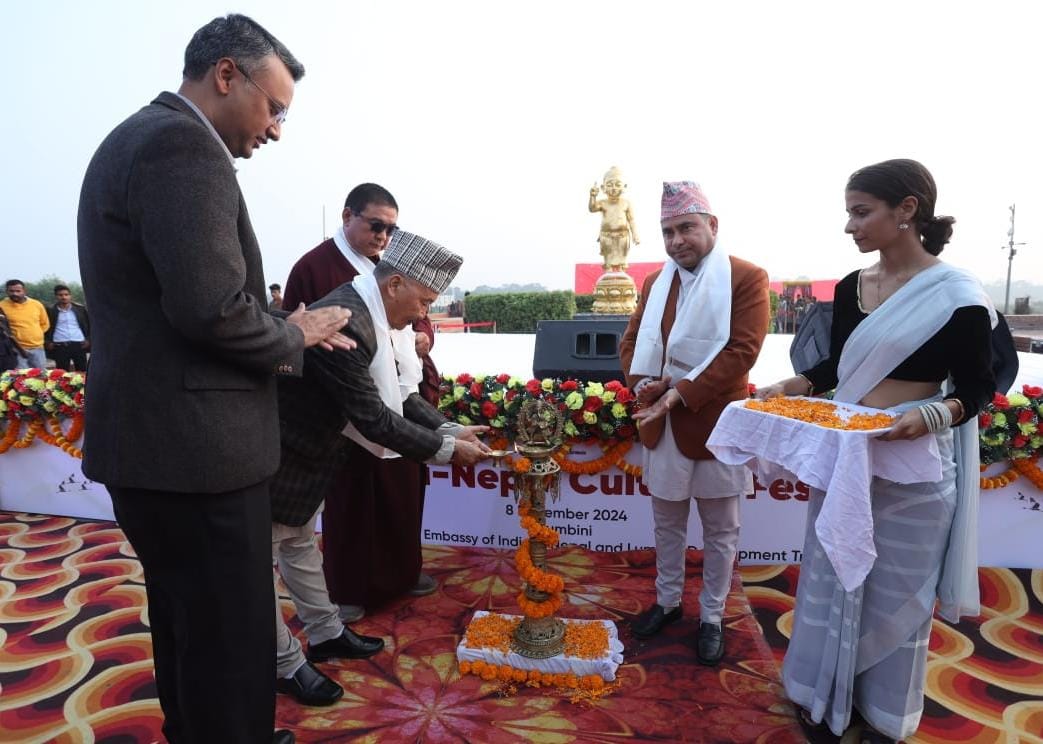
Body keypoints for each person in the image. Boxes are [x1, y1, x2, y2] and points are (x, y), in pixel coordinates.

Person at [76, 14, 352, 744]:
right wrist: (295, 333)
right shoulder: (181, 146)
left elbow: (183, 303)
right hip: (196, 456)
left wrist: (276, 321)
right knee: (228, 639)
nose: (276, 130)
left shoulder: (140, 137)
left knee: (190, 624)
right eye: (275, 107)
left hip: (161, 447)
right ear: (227, 74)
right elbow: (211, 312)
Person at [755, 159, 995, 743]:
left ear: (907, 209)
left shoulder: (957, 295)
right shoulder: (850, 287)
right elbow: (839, 367)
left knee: (895, 596)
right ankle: (822, 696)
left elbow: (976, 388)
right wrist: (795, 384)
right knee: (831, 575)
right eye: (849, 213)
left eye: (861, 213)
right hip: (848, 460)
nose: (850, 226)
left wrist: (929, 416)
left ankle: (885, 715)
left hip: (915, 469)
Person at [269, 229, 490, 706]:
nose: (425, 313)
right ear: (394, 285)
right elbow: (375, 418)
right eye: (424, 301)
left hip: (312, 454)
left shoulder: (378, 313)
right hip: (283, 455)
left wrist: (449, 428)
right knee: (259, 565)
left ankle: (326, 633)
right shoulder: (352, 320)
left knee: (300, 544)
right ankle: (284, 664)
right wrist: (448, 451)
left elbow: (401, 394)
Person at [619, 181, 769, 665]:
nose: (677, 240)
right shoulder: (655, 282)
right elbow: (631, 341)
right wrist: (644, 384)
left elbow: (742, 351)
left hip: (716, 426)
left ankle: (711, 616)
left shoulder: (746, 277)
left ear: (712, 225)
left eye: (686, 227)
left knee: (721, 530)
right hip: (661, 426)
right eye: (668, 232)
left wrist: (678, 392)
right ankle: (667, 602)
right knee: (666, 524)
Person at [282, 183, 442, 621]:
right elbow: (297, 335)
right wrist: (447, 447)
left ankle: (402, 572)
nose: (383, 237)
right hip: (346, 413)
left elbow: (418, 316)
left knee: (402, 497)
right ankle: (350, 587)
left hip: (395, 400)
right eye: (376, 226)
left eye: (391, 230)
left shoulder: (386, 267)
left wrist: (422, 336)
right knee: (353, 507)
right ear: (347, 216)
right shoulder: (314, 267)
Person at [589, 166, 640, 271]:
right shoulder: (602, 203)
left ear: (624, 186)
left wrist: (635, 234)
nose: (613, 188)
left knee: (622, 259)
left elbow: (631, 220)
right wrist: (593, 196)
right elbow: (592, 208)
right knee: (608, 259)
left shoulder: (626, 203)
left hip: (623, 235)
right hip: (606, 235)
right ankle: (608, 273)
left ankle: (621, 272)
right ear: (603, 187)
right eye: (609, 185)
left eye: (617, 185)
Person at [1, 280, 49, 369]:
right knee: (21, 375)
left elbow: (45, 323)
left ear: (24, 291)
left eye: (18, 291)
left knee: (41, 374)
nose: (15, 294)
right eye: (11, 291)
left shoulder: (36, 304)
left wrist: (35, 335)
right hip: (16, 349)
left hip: (37, 348)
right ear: (7, 291)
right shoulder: (2, 306)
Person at [45, 284, 90, 371]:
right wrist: (47, 342)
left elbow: (88, 325)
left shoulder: (80, 309)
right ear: (56, 296)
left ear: (70, 296)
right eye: (60, 295)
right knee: (62, 372)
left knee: (82, 371)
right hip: (60, 345)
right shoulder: (50, 310)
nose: (64, 297)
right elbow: (45, 326)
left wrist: (88, 339)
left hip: (79, 344)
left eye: (66, 294)